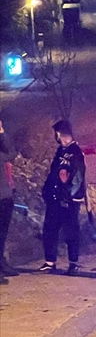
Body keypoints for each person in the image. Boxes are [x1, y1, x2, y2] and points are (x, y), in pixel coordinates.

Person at [40, 120, 87, 275]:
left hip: (68, 200)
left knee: (71, 231)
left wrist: (70, 197)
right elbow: (54, 173)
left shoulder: (75, 152)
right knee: (50, 229)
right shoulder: (60, 151)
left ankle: (73, 263)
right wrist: (47, 191)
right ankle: (50, 262)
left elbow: (77, 177)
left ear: (59, 134)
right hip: (55, 198)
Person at [0, 120, 19, 283]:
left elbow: (11, 153)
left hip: (5, 196)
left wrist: (1, 132)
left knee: (2, 234)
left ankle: (1, 264)